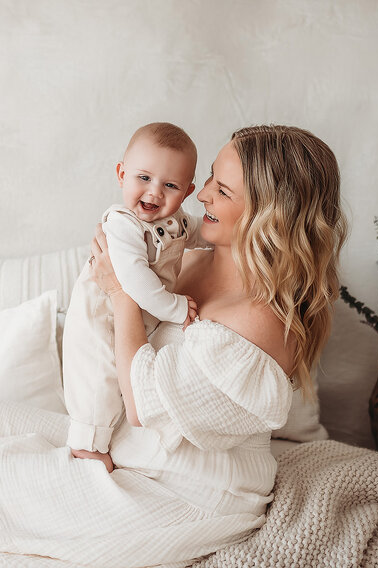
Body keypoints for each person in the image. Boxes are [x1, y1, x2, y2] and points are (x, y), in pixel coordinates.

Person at [0, 124, 347, 568]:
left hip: (184, 488)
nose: (199, 195)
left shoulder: (261, 321)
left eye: (221, 189)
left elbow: (144, 405)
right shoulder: (191, 258)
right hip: (125, 447)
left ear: (267, 214)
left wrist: (122, 290)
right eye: (208, 178)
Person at [63, 122, 209, 466]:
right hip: (100, 312)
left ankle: (110, 437)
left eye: (169, 185)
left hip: (136, 315)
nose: (155, 192)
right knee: (97, 377)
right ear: (121, 174)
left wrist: (223, 239)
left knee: (123, 377)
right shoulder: (122, 223)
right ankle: (87, 444)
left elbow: (201, 235)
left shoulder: (180, 222)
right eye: (143, 178)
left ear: (187, 192)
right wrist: (174, 308)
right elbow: (132, 278)